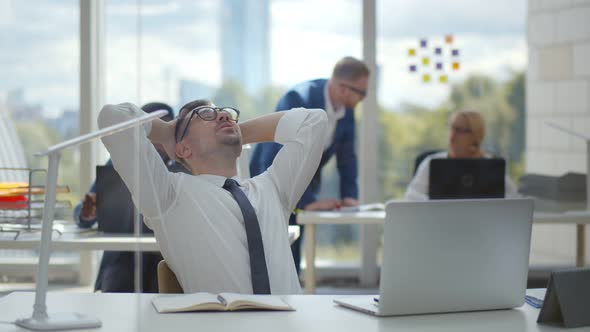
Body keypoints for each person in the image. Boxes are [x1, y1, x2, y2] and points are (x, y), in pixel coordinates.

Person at [97, 99, 328, 294]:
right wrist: (167, 133)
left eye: (227, 114)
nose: (222, 116)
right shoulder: (168, 194)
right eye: (204, 115)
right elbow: (113, 119)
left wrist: (234, 131)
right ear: (182, 149)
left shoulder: (274, 188)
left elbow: (314, 121)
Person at [249, 56, 370, 273]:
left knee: (293, 253)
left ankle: (294, 296)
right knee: (275, 248)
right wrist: (307, 202)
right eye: (362, 93)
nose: (363, 98)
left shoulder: (347, 111)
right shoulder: (298, 98)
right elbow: (277, 155)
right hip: (269, 180)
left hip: (304, 183)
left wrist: (349, 196)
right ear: (344, 88)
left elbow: (347, 158)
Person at [74, 102, 187, 293]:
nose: (155, 143)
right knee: (119, 278)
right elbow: (81, 212)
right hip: (124, 256)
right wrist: (87, 213)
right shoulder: (121, 161)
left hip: (167, 256)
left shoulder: (185, 165)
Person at [404, 110, 518, 200]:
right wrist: (438, 206)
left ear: (475, 135)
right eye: (452, 128)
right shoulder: (431, 163)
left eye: (459, 130)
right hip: (439, 225)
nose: (452, 136)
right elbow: (411, 196)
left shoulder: (491, 166)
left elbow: (514, 198)